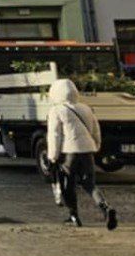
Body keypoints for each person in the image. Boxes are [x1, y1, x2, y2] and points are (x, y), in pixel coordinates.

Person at [47, 78, 117, 229]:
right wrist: (96, 145)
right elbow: (95, 129)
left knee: (68, 185)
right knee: (90, 184)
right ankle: (106, 208)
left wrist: (52, 157)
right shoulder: (86, 108)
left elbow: (55, 135)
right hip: (87, 151)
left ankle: (74, 216)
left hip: (69, 153)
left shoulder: (56, 110)